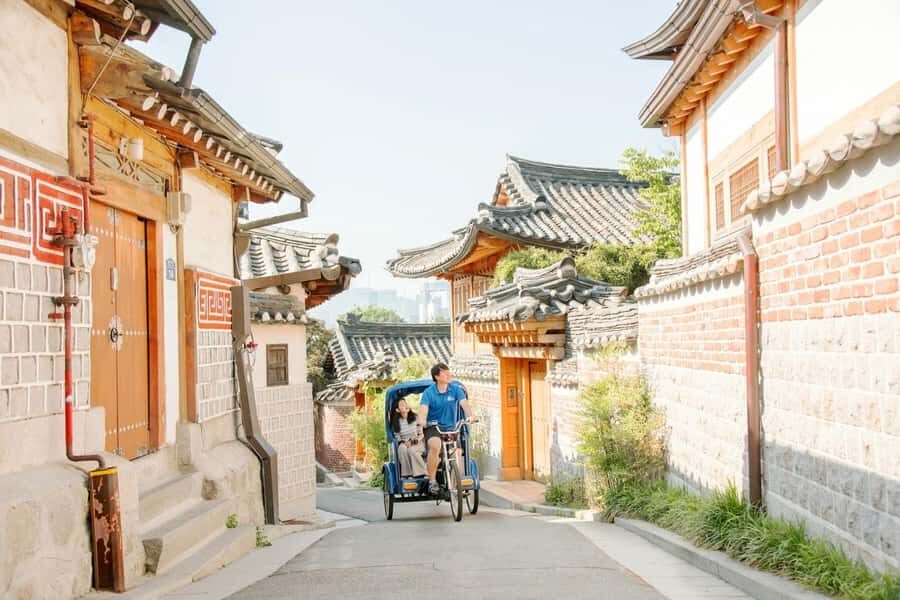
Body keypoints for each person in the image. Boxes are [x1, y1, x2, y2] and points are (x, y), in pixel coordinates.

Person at [418, 362, 477, 495]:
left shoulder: (455, 389)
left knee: (458, 452)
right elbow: (423, 410)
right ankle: (432, 481)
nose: (448, 374)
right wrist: (422, 420)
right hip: (433, 427)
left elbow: (464, 404)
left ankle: (456, 485)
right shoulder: (429, 393)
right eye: (445, 373)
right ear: (437, 376)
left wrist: (471, 416)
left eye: (448, 371)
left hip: (451, 428)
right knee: (435, 445)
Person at [391, 398, 426, 477]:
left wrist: (414, 441)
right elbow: (398, 438)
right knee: (402, 449)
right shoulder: (396, 422)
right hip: (404, 442)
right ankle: (407, 474)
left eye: (406, 403)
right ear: (397, 410)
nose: (406, 406)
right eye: (402, 405)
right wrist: (405, 443)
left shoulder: (416, 417)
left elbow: (421, 434)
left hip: (417, 441)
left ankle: (422, 472)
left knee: (412, 450)